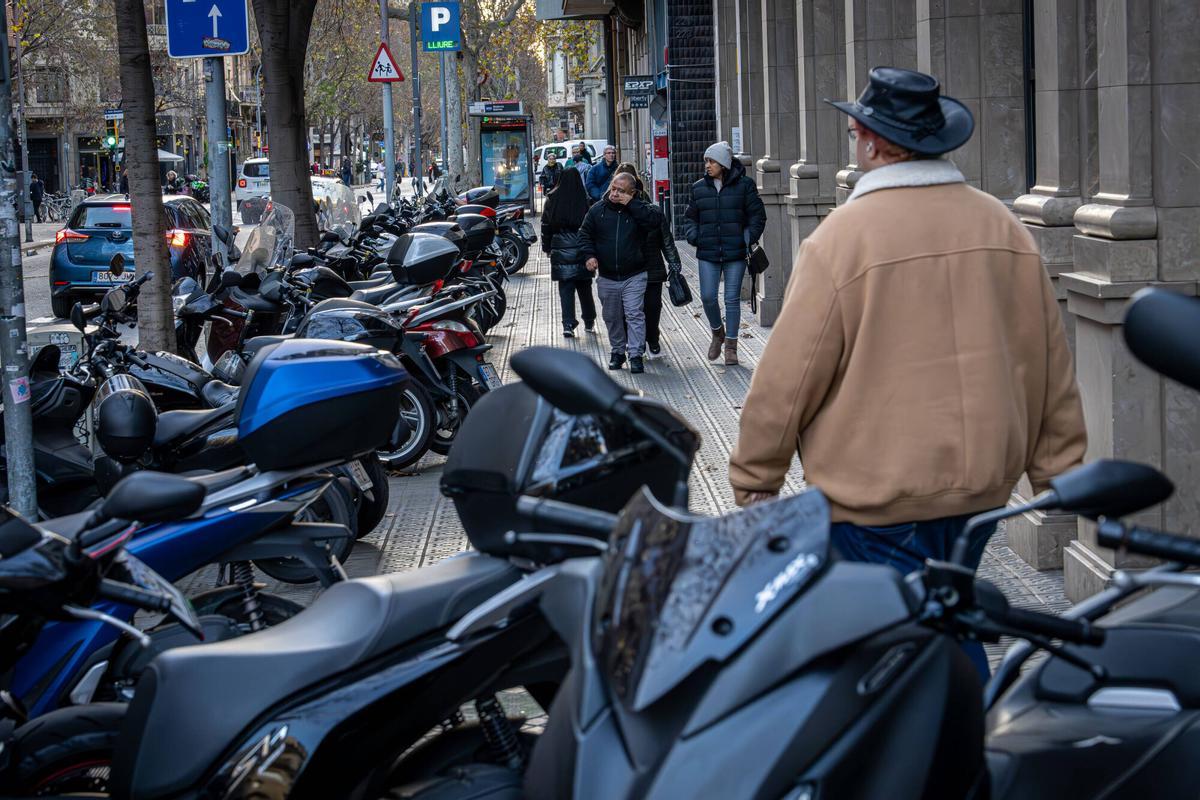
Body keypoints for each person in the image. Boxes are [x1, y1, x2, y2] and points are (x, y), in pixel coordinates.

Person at [728, 67, 1088, 677]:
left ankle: (947, 756)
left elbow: (789, 377)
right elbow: (1046, 356)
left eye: (854, 134)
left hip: (874, 496)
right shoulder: (1002, 226)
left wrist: (756, 474)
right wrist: (1060, 471)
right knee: (943, 621)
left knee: (899, 651)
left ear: (872, 143)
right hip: (979, 488)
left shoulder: (842, 238)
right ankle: (963, 748)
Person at [683, 141, 766, 367]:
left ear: (724, 163)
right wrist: (694, 236)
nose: (707, 165)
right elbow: (690, 217)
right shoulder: (699, 187)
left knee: (731, 300)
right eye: (706, 162)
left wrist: (747, 237)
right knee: (708, 297)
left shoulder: (745, 186)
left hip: (735, 252)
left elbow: (757, 216)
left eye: (711, 161)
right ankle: (717, 332)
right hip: (708, 251)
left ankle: (731, 347)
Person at [578, 172, 662, 374]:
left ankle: (635, 355)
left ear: (632, 192)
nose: (614, 193)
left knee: (634, 314)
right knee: (612, 316)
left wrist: (631, 204)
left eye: (620, 190)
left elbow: (654, 221)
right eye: (613, 188)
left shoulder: (639, 210)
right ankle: (617, 352)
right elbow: (584, 234)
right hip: (607, 275)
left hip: (634, 274)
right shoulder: (598, 210)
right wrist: (589, 255)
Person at [613, 162, 679, 355]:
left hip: (650, 267)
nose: (618, 192)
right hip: (628, 269)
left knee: (650, 307)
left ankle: (651, 336)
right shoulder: (611, 209)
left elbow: (665, 238)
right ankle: (639, 341)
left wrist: (674, 263)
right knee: (636, 308)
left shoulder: (650, 210)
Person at [541, 168, 596, 339]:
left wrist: (548, 248)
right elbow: (593, 228)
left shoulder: (552, 198)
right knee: (585, 287)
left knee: (566, 288)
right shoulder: (585, 199)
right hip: (582, 248)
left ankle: (568, 324)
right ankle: (589, 320)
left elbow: (546, 226)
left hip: (560, 248)